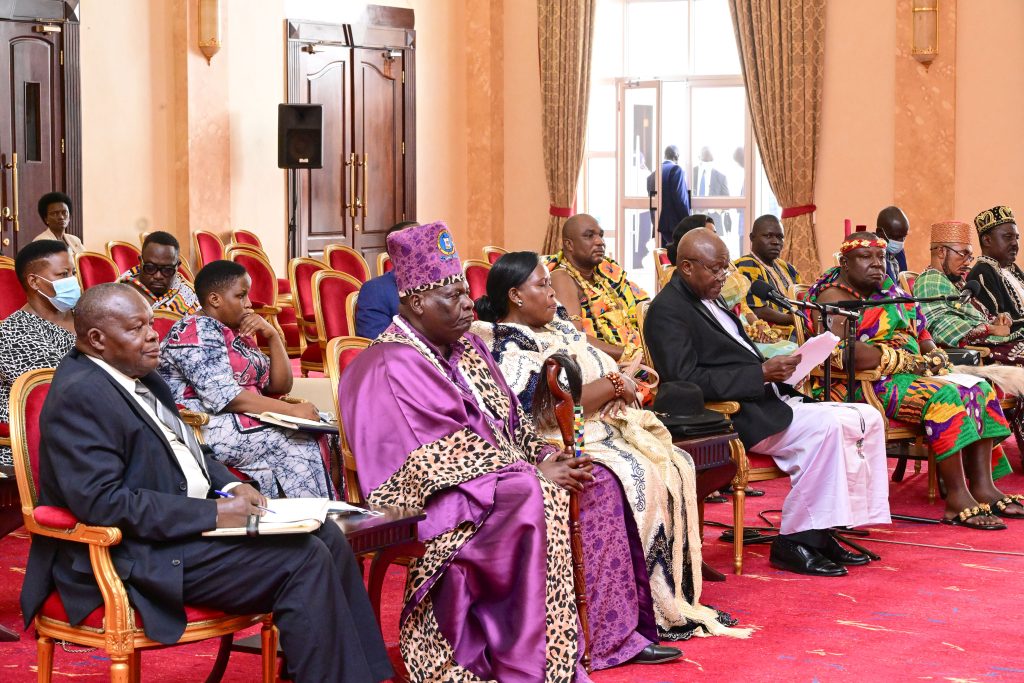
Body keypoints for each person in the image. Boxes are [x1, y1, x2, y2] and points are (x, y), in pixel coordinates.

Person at [340, 222, 682, 682]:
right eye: (454, 297)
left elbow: (513, 424)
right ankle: (517, 658)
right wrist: (534, 474)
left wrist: (544, 457)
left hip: (494, 476)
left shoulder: (466, 349)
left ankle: (600, 637)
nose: (469, 305)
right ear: (417, 302)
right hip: (437, 494)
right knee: (530, 494)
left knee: (593, 476)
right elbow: (432, 457)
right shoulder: (390, 363)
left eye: (466, 293)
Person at [19, 283, 392, 683]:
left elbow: (191, 451)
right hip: (135, 553)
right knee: (303, 558)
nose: (152, 335)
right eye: (136, 328)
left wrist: (231, 487)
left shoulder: (137, 372)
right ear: (96, 339)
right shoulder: (80, 394)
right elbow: (104, 503)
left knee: (327, 538)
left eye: (150, 322)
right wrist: (212, 512)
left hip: (183, 531)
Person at [473, 251, 748, 642]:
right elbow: (555, 410)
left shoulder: (557, 329)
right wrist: (616, 386)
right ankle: (633, 614)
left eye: (551, 284)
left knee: (673, 462)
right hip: (561, 441)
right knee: (630, 476)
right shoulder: (511, 345)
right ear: (515, 296)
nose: (553, 294)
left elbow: (591, 377)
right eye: (542, 285)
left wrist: (621, 380)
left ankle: (666, 601)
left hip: (604, 426)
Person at [645, 229, 891, 576]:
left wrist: (787, 367)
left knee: (865, 417)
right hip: (735, 415)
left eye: (725, 268)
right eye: (715, 269)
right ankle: (795, 541)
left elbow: (737, 356)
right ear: (686, 267)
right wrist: (760, 374)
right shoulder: (667, 311)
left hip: (766, 397)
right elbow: (684, 380)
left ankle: (821, 532)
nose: (723, 277)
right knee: (830, 427)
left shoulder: (711, 298)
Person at [808, 232, 1022, 529]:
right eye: (865, 257)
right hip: (865, 384)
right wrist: (913, 363)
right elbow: (850, 356)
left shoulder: (891, 291)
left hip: (910, 375)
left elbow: (922, 335)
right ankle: (957, 497)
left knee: (980, 388)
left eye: (880, 257)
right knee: (944, 396)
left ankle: (984, 487)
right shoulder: (832, 298)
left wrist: (938, 361)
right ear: (845, 262)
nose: (876, 264)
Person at [158, 260, 333, 499]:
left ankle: (327, 515)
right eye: (241, 296)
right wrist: (290, 411)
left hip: (244, 418)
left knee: (327, 428)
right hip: (204, 424)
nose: (249, 304)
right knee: (297, 440)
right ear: (215, 299)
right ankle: (310, 521)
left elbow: (279, 386)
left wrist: (271, 335)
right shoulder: (195, 331)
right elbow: (225, 397)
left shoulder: (237, 331)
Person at [0, 240, 77, 465]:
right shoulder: (12, 333)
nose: (72, 281)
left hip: (93, 430)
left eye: (73, 272)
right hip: (40, 446)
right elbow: (62, 390)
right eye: (63, 274)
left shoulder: (87, 316)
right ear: (34, 281)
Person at [917, 220, 1024, 363]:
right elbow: (942, 328)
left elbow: (973, 317)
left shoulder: (957, 282)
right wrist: (991, 329)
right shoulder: (929, 281)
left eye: (970, 256)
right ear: (941, 252)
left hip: (994, 345)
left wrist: (997, 320)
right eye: (963, 254)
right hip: (978, 354)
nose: (968, 262)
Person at [548, 213, 649, 362]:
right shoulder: (562, 278)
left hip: (634, 353)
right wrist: (629, 356)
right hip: (603, 365)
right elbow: (573, 338)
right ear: (569, 245)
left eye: (601, 235)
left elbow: (643, 304)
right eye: (589, 236)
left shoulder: (605, 272)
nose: (600, 242)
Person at [734, 214, 802, 328]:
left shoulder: (788, 268)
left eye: (780, 237)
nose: (775, 242)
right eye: (768, 236)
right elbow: (759, 311)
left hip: (798, 331)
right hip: (770, 337)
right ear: (752, 237)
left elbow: (801, 300)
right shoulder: (746, 264)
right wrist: (798, 319)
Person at [354, 220, 417, 339]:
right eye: (413, 243)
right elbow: (376, 345)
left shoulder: (442, 285)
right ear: (393, 258)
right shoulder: (376, 291)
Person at [966, 205, 1024, 333]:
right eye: (1008, 237)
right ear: (987, 240)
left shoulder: (1014, 270)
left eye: (1017, 237)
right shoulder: (982, 273)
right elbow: (1001, 321)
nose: (1015, 243)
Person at [119, 231, 200, 315]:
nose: (158, 276)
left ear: (177, 266)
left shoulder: (188, 294)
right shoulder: (122, 293)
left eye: (167, 270)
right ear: (140, 262)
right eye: (150, 268)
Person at [647, 145, 690, 249]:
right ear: (677, 157)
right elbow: (681, 200)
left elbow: (653, 202)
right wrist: (688, 222)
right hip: (675, 228)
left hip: (659, 226)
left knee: (663, 261)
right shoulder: (676, 170)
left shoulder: (652, 175)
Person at [31, 191, 84, 255]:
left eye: (64, 212)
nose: (61, 217)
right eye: (54, 213)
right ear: (46, 219)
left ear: (69, 216)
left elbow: (86, 261)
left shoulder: (75, 240)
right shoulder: (41, 242)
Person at [875, 206, 909, 284]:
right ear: (880, 233)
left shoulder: (899, 253)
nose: (900, 242)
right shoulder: (871, 255)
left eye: (903, 237)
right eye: (896, 237)